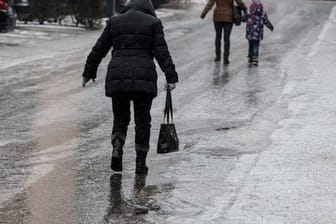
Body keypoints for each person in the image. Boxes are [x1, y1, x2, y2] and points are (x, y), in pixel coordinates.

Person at [82, 0, 178, 174]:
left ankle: (117, 147)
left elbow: (99, 49)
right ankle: (140, 163)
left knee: (120, 118)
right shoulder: (153, 23)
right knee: (143, 121)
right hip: (144, 80)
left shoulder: (115, 21)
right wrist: (171, 76)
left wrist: (88, 72)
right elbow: (162, 52)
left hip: (118, 78)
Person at [200, 0, 247, 64]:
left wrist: (203, 14)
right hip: (229, 17)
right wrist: (245, 8)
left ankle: (218, 57)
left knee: (218, 36)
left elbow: (210, 4)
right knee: (226, 38)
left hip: (218, 17)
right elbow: (239, 2)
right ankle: (226, 59)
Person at [242, 0, 274, 66]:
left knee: (250, 45)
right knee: (256, 45)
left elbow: (244, 19)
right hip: (258, 31)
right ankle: (255, 59)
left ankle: (250, 58)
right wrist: (270, 26)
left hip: (250, 31)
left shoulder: (248, 10)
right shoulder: (263, 11)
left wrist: (239, 18)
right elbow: (266, 21)